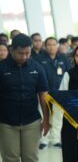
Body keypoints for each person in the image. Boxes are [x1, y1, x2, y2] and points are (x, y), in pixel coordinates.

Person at [0, 34, 50, 162]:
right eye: (20, 53)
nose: (24, 57)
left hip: (31, 121)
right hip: (6, 123)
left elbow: (43, 95)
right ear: (12, 50)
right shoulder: (2, 68)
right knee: (10, 158)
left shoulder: (37, 68)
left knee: (31, 158)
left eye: (27, 53)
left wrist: (46, 119)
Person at [36, 37, 72, 149]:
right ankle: (44, 139)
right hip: (43, 93)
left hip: (59, 92)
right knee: (43, 116)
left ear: (57, 46)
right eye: (49, 45)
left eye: (53, 44)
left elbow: (69, 73)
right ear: (45, 46)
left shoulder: (63, 58)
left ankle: (55, 139)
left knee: (58, 117)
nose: (51, 47)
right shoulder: (39, 59)